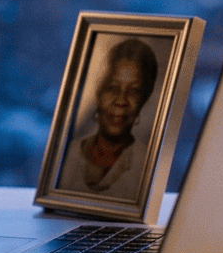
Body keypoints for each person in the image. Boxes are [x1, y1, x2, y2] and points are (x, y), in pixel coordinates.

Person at [57, 38, 160, 201]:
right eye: (113, 88)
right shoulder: (65, 158)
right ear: (98, 93)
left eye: (134, 91)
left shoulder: (147, 166)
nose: (121, 100)